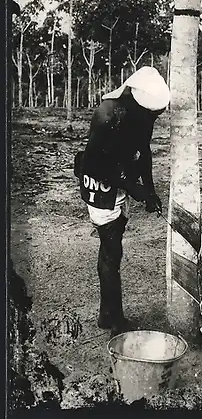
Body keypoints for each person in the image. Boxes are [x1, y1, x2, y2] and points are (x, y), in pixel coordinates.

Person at [74, 66, 170, 335]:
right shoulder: (107, 114)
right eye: (151, 115)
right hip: (101, 184)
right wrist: (134, 188)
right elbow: (93, 165)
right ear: (136, 102)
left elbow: (144, 150)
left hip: (120, 180)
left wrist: (149, 190)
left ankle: (108, 313)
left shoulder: (143, 114)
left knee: (113, 246)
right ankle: (113, 319)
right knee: (111, 249)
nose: (153, 120)